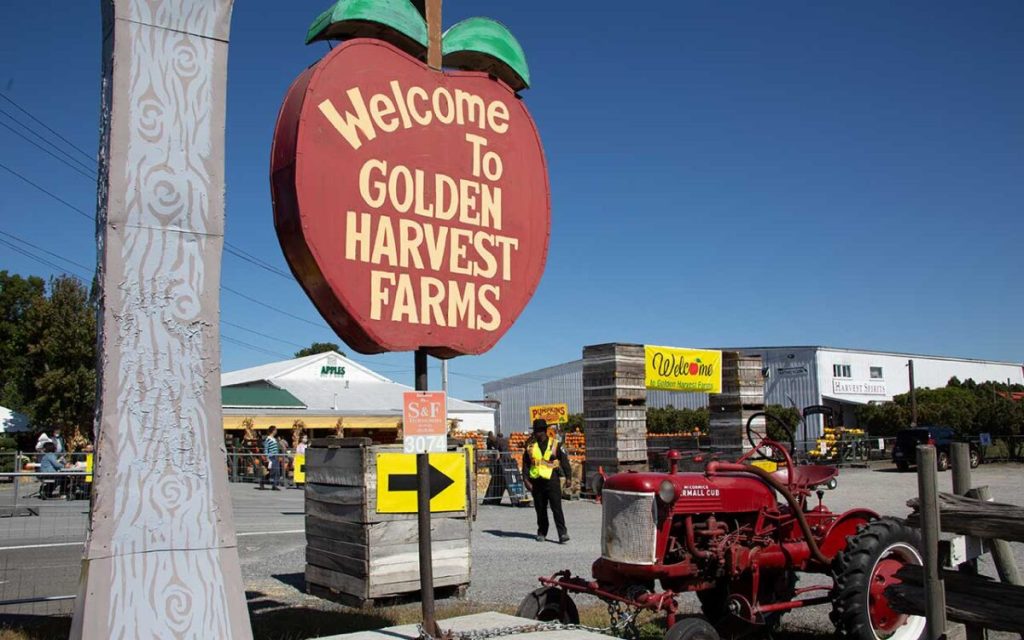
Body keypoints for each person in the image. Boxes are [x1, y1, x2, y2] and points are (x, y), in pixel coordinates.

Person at [522, 419, 571, 543]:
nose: (536, 434)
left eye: (539, 431)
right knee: (540, 509)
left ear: (544, 431)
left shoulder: (556, 444)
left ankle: (562, 533)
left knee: (556, 508)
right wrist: (526, 480)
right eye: (535, 431)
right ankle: (542, 532)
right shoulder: (530, 447)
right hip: (537, 482)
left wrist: (568, 477)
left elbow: (564, 461)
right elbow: (526, 465)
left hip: (552, 480)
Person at [259, 426, 281, 491]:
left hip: (275, 457)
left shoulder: (274, 439)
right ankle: (262, 481)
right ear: (273, 431)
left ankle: (274, 485)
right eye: (275, 430)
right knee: (271, 471)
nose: (276, 431)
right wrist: (267, 458)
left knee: (277, 471)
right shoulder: (268, 439)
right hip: (271, 457)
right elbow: (266, 449)